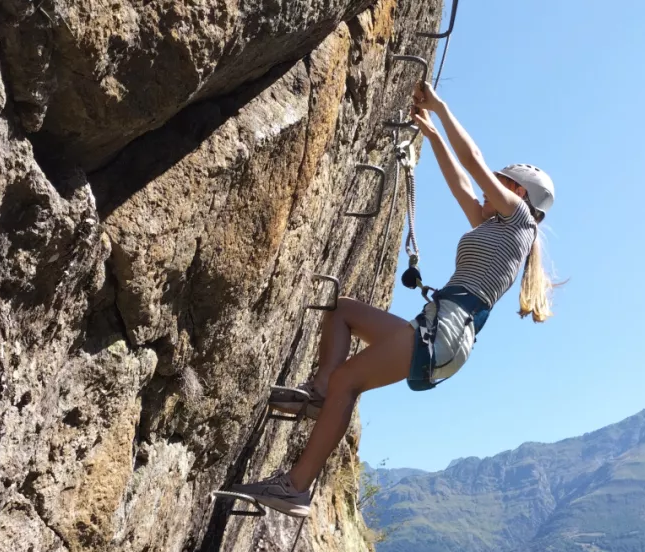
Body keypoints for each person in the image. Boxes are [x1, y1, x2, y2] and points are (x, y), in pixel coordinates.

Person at [230, 82, 558, 517]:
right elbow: (464, 185)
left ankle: (295, 487)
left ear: (518, 194)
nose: (488, 188)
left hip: (445, 330)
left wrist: (441, 107)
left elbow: (474, 163)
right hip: (443, 327)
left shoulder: (517, 221)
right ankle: (321, 393)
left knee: (351, 380)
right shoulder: (496, 225)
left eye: (500, 184)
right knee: (342, 311)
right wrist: (434, 136)